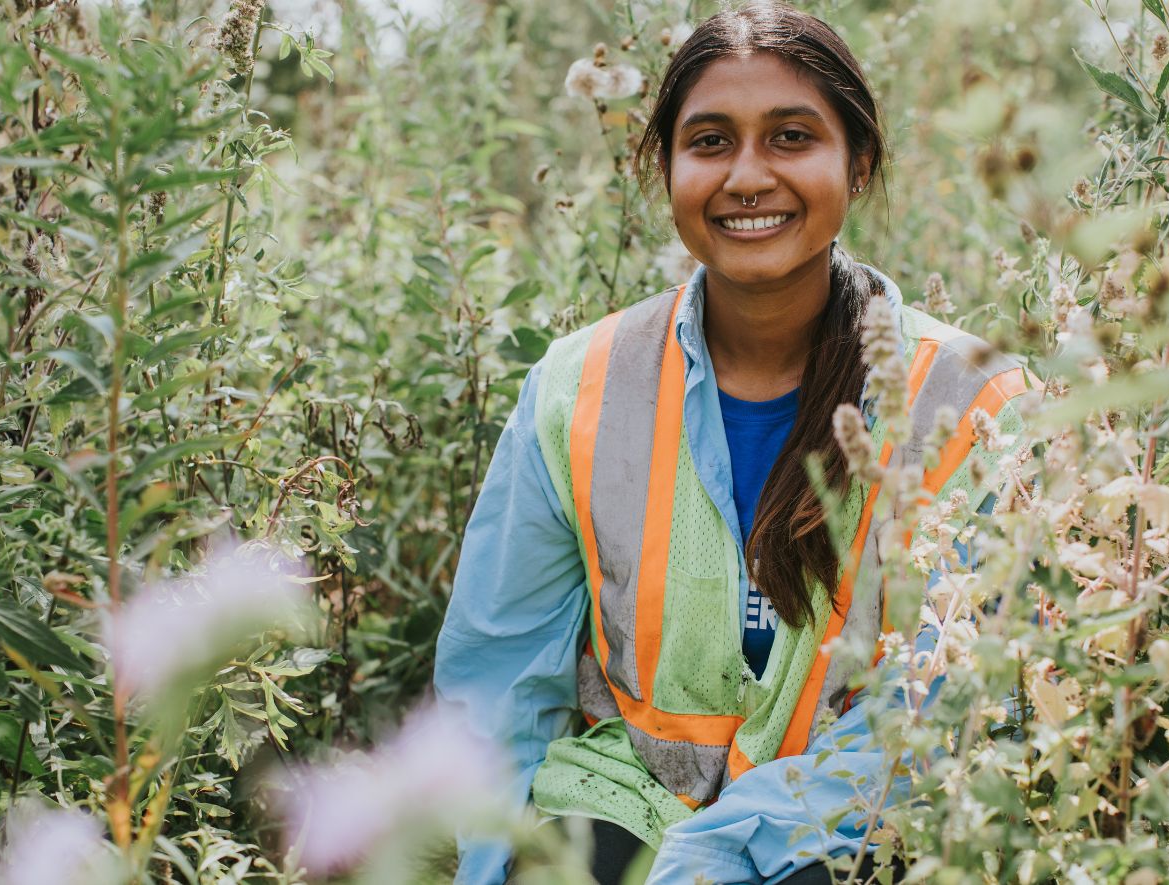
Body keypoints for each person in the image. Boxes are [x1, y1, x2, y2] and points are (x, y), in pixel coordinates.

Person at [434, 3, 1034, 882]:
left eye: (792, 137)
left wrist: (718, 853)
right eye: (710, 141)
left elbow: (951, 713)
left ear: (857, 165)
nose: (747, 176)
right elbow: (497, 681)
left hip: (859, 817)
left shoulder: (971, 401)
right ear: (665, 168)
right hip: (624, 800)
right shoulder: (580, 385)